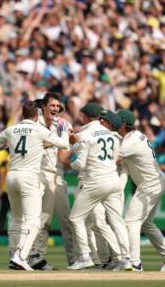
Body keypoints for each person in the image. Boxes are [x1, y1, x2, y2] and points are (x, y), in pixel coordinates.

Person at [0, 100, 69, 271]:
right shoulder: (39, 129)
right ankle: (21, 256)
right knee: (33, 220)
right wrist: (62, 129)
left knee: (17, 218)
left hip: (12, 177)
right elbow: (64, 144)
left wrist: (7, 145)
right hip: (29, 177)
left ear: (23, 114)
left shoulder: (12, 129)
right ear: (36, 115)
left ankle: (13, 254)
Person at [67, 103, 132, 271]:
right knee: (117, 221)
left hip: (96, 181)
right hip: (113, 180)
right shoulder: (115, 136)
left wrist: (70, 162)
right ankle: (126, 259)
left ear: (85, 117)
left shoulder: (85, 134)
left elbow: (80, 163)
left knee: (75, 218)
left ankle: (84, 257)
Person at [117, 109, 165, 272]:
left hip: (150, 185)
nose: (113, 125)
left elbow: (113, 158)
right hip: (155, 182)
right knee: (146, 224)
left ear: (123, 125)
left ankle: (135, 262)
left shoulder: (129, 142)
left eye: (116, 122)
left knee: (131, 222)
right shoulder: (136, 136)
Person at [29, 92, 76, 270]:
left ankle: (74, 260)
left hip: (58, 175)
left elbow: (65, 154)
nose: (55, 109)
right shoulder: (34, 123)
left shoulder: (64, 124)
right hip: (39, 174)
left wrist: (72, 143)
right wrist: (52, 142)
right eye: (52, 105)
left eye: (58, 106)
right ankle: (37, 258)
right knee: (44, 219)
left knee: (67, 221)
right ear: (43, 106)